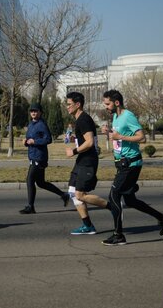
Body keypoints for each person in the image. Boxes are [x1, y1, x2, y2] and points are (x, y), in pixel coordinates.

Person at [100, 89, 163, 245]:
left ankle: (118, 235)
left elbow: (142, 137)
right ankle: (162, 217)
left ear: (116, 103)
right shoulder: (115, 116)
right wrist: (110, 132)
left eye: (107, 104)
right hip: (122, 164)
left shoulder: (128, 116)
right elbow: (119, 136)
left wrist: (120, 136)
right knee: (130, 200)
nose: (105, 107)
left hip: (131, 163)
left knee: (113, 196)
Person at [64, 92, 108, 235]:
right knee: (72, 192)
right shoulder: (80, 119)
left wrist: (74, 151)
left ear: (78, 105)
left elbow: (89, 142)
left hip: (87, 161)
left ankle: (112, 206)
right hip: (82, 160)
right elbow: (87, 140)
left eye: (69, 104)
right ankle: (88, 225)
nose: (67, 107)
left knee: (80, 194)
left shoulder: (83, 119)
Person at [19, 103, 70, 214]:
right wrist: (26, 142)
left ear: (40, 112)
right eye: (32, 111)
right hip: (33, 155)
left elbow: (48, 139)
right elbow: (30, 139)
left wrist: (35, 142)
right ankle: (64, 195)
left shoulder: (42, 124)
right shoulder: (31, 124)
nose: (33, 113)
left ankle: (30, 207)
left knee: (29, 180)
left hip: (39, 157)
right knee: (41, 183)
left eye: (36, 111)